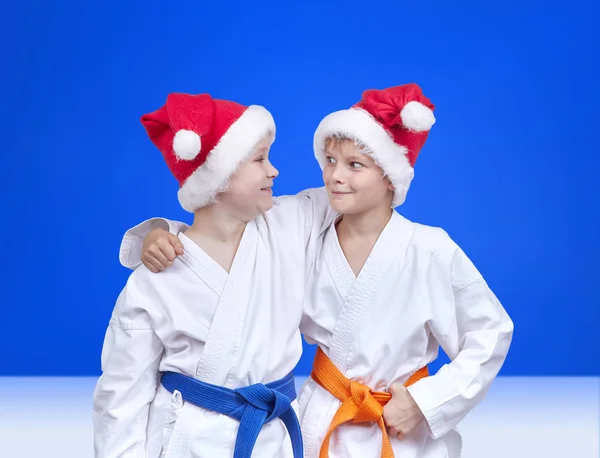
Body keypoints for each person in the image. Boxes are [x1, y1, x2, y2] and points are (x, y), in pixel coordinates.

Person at [125, 84, 514, 458]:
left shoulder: (429, 250)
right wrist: (162, 233)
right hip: (320, 419)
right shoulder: (305, 230)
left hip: (397, 424)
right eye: (329, 161)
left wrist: (425, 403)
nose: (335, 176)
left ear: (390, 176)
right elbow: (223, 224)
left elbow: (490, 332)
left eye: (354, 165)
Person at [92, 92, 333, 458]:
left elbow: (354, 193)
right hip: (188, 442)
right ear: (217, 178)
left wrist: (388, 144)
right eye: (259, 159)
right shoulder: (156, 278)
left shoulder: (288, 225)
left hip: (273, 438)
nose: (274, 170)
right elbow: (121, 396)